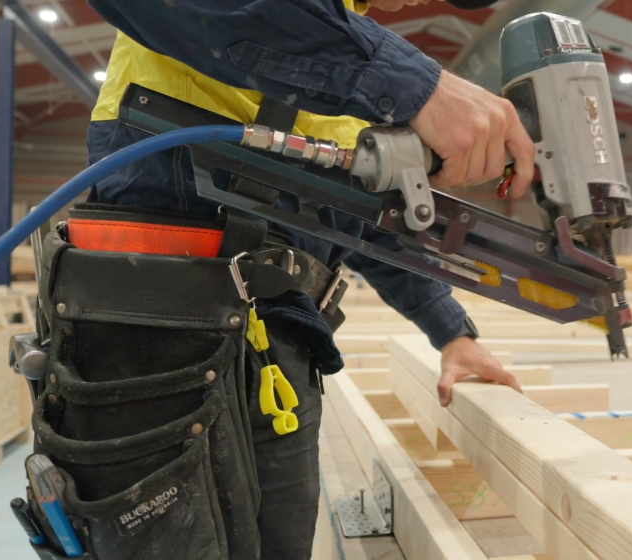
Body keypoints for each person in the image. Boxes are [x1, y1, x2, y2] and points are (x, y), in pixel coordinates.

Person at [43, 1, 537, 559]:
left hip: (281, 356)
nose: (418, 4)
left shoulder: (341, 48)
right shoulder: (341, 50)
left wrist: (453, 333)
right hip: (156, 336)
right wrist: (418, 85)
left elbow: (363, 223)